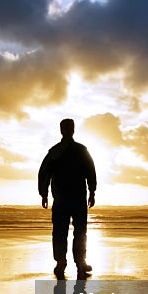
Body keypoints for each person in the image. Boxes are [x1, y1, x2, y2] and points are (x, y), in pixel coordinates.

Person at [38, 118, 96, 278]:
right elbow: (45, 173)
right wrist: (43, 193)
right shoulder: (72, 150)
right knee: (74, 231)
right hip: (71, 198)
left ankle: (70, 262)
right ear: (70, 130)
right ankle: (70, 262)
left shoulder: (59, 151)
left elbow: (44, 173)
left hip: (69, 198)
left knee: (63, 231)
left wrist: (92, 191)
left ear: (63, 130)